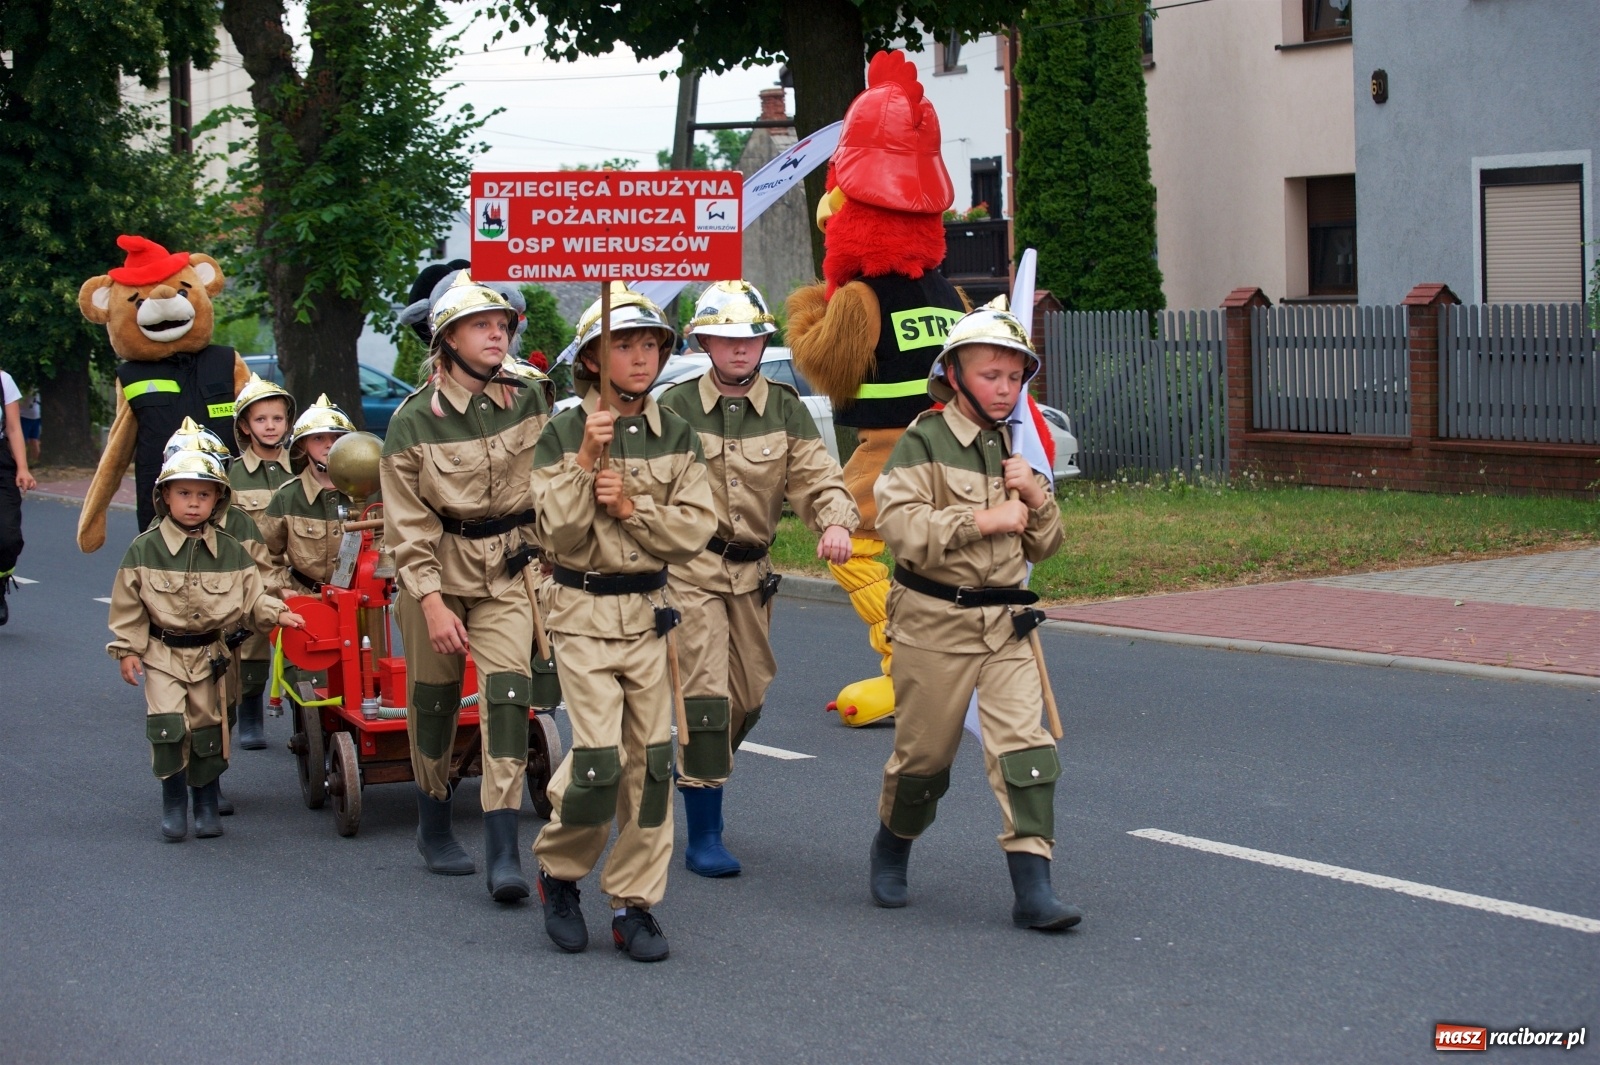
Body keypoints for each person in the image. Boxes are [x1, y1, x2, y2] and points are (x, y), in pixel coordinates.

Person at [867, 296, 1082, 932]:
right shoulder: (924, 439)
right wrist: (984, 518)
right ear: (955, 372)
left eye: (1015, 376)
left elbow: (1045, 545)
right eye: (992, 374)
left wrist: (1037, 496)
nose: (1005, 387)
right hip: (934, 622)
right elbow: (899, 526)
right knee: (923, 762)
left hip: (1008, 626)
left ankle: (1033, 887)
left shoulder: (1019, 443)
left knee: (1025, 750)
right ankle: (893, 843)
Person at [530, 282, 716, 962]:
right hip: (580, 610)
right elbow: (554, 531)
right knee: (600, 762)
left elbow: (696, 527)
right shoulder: (561, 428)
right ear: (591, 358)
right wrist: (584, 462)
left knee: (652, 764)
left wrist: (635, 509)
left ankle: (634, 902)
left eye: (651, 344)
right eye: (625, 343)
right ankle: (561, 872)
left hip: (650, 613)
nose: (641, 357)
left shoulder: (678, 432)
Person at [657, 280, 859, 877]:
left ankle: (697, 769)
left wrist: (835, 521)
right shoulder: (673, 407)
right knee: (707, 697)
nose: (740, 349)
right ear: (704, 342)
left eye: (751, 337)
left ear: (765, 340)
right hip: (689, 572)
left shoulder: (786, 408)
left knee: (748, 696)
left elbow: (820, 478)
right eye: (727, 338)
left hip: (753, 573)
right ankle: (704, 833)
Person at [379, 272, 550, 900]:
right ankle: (432, 821)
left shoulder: (532, 397)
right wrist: (429, 601)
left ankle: (502, 851)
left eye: (503, 324)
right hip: (438, 574)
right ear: (447, 339)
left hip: (508, 569)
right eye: (482, 325)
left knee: (508, 696)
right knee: (435, 706)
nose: (497, 333)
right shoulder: (412, 422)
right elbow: (407, 528)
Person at [106, 449, 304, 841]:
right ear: (165, 497)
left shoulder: (231, 549)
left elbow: (252, 596)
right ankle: (174, 804)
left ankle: (206, 804)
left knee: (207, 730)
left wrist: (277, 612)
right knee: (167, 727)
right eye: (183, 494)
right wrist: (127, 649)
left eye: (203, 495)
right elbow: (128, 603)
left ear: (218, 499)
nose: (193, 503)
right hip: (162, 654)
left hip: (211, 654)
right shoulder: (145, 548)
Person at [226, 374, 296, 750]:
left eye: (278, 419)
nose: (270, 427)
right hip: (251, 577)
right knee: (250, 648)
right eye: (260, 420)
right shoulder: (231, 475)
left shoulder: (302, 467)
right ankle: (250, 714)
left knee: (306, 647)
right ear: (244, 426)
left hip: (296, 575)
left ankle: (307, 721)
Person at [0, 369, 38, 626]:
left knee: (8, 537)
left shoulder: (3, 380)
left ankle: (1, 580)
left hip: (1, 461)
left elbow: (14, 428)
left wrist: (22, 468)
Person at [18, 391, 40, 466]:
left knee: (33, 440)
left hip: (33, 416)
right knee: (23, 441)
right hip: (25, 416)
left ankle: (35, 461)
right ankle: (22, 462)